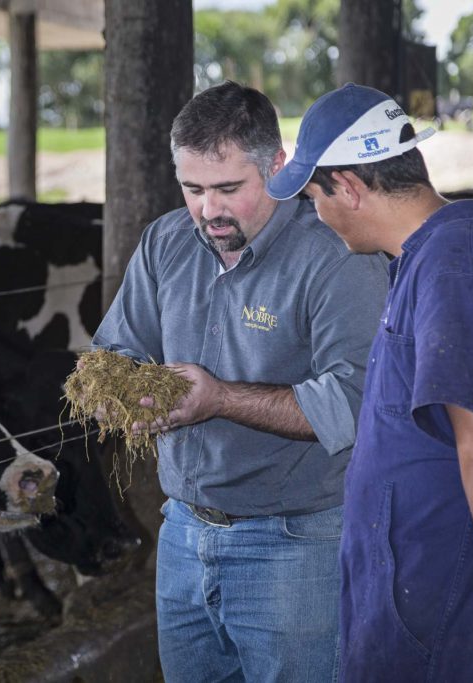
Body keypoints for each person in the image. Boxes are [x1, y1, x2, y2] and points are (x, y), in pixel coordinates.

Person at [266, 82, 473, 682]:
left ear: (349, 187)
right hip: (409, 580)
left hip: (430, 591)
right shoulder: (428, 260)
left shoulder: (454, 273)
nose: (316, 212)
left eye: (313, 195)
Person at [89, 81, 389, 682]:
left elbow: (356, 403)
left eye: (229, 189)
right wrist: (121, 395)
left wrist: (219, 398)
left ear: (277, 168)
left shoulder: (337, 255)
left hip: (297, 541)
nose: (208, 210)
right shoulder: (166, 241)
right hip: (181, 534)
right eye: (192, 188)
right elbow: (113, 351)